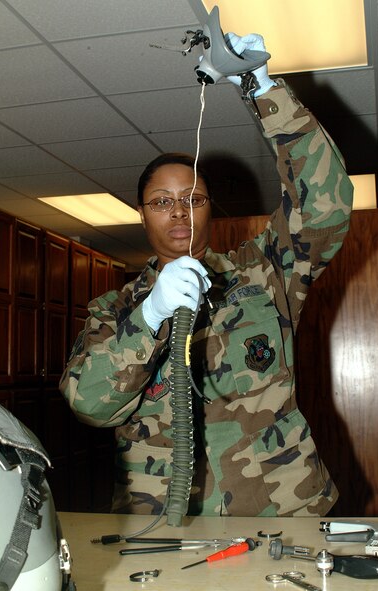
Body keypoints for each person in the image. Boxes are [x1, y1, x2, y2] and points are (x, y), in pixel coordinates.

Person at [59, 32, 353, 517]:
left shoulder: (262, 274)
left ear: (209, 209)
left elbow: (326, 209)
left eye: (192, 200)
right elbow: (89, 404)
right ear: (141, 213)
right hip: (162, 521)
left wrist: (263, 88)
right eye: (162, 202)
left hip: (280, 509)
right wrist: (150, 315)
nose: (179, 213)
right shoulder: (113, 312)